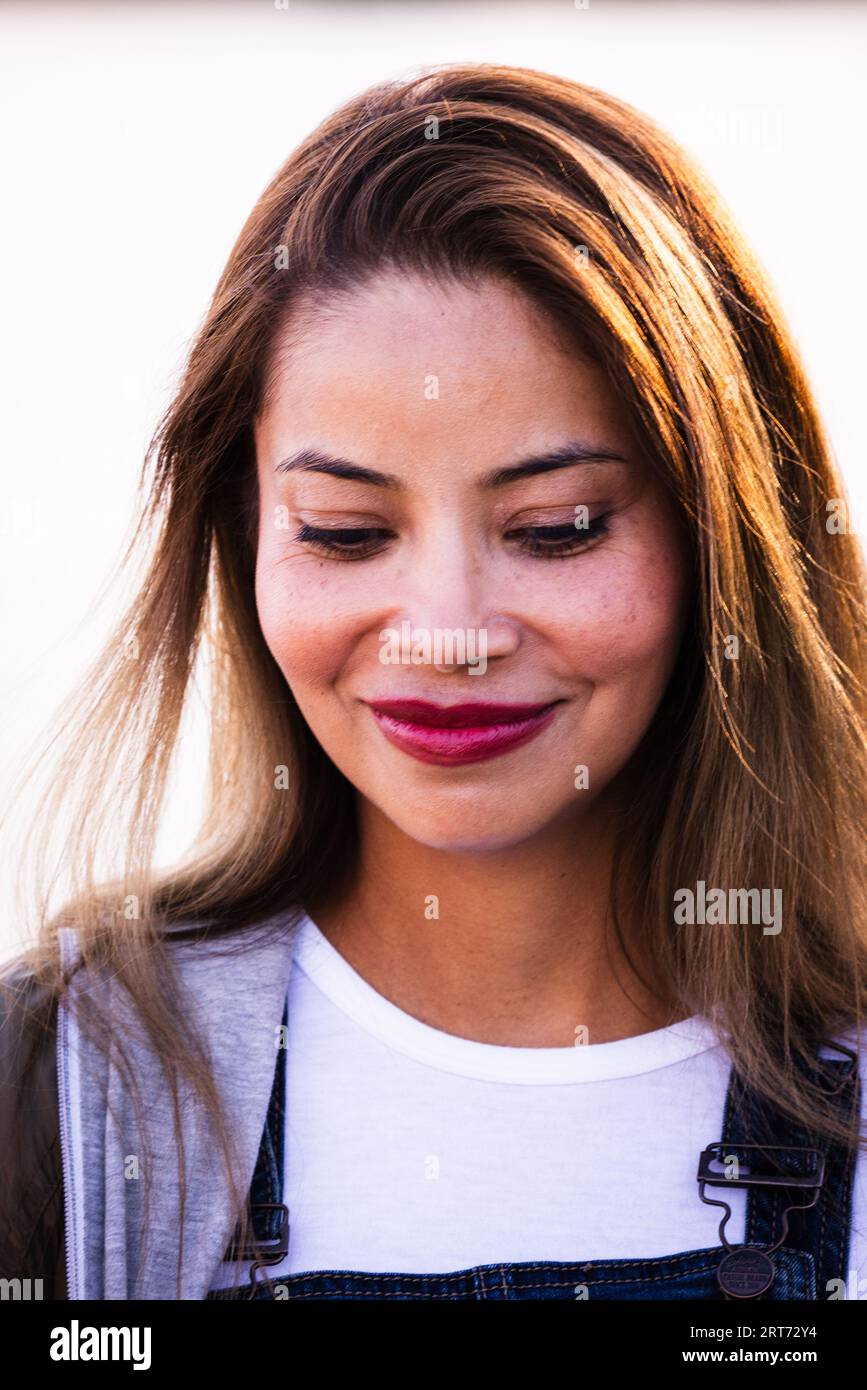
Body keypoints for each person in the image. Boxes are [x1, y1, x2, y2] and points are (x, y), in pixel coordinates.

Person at [1, 62, 865, 1302]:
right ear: (242, 534)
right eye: (346, 532)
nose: (444, 635)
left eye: (558, 527)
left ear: (721, 541)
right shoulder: (61, 1091)